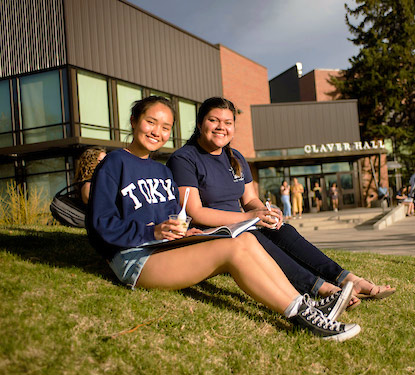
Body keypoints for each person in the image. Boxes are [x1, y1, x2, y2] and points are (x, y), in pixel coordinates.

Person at [85, 96, 360, 341]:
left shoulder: (162, 172)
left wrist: (186, 232)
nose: (157, 131)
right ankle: (304, 318)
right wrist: (153, 232)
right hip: (136, 258)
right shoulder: (114, 163)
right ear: (134, 121)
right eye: (150, 122)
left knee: (247, 239)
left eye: (165, 127)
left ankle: (306, 305)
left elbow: (174, 219)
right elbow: (100, 225)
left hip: (164, 249)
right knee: (233, 249)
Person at [166, 97, 395, 305]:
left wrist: (266, 211)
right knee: (253, 236)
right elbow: (195, 211)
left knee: (283, 230)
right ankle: (322, 289)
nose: (221, 127)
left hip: (240, 225)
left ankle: (347, 278)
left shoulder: (235, 157)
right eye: (213, 120)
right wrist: (249, 217)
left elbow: (250, 199)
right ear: (199, 124)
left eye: (228, 122)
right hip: (210, 233)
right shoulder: (184, 158)